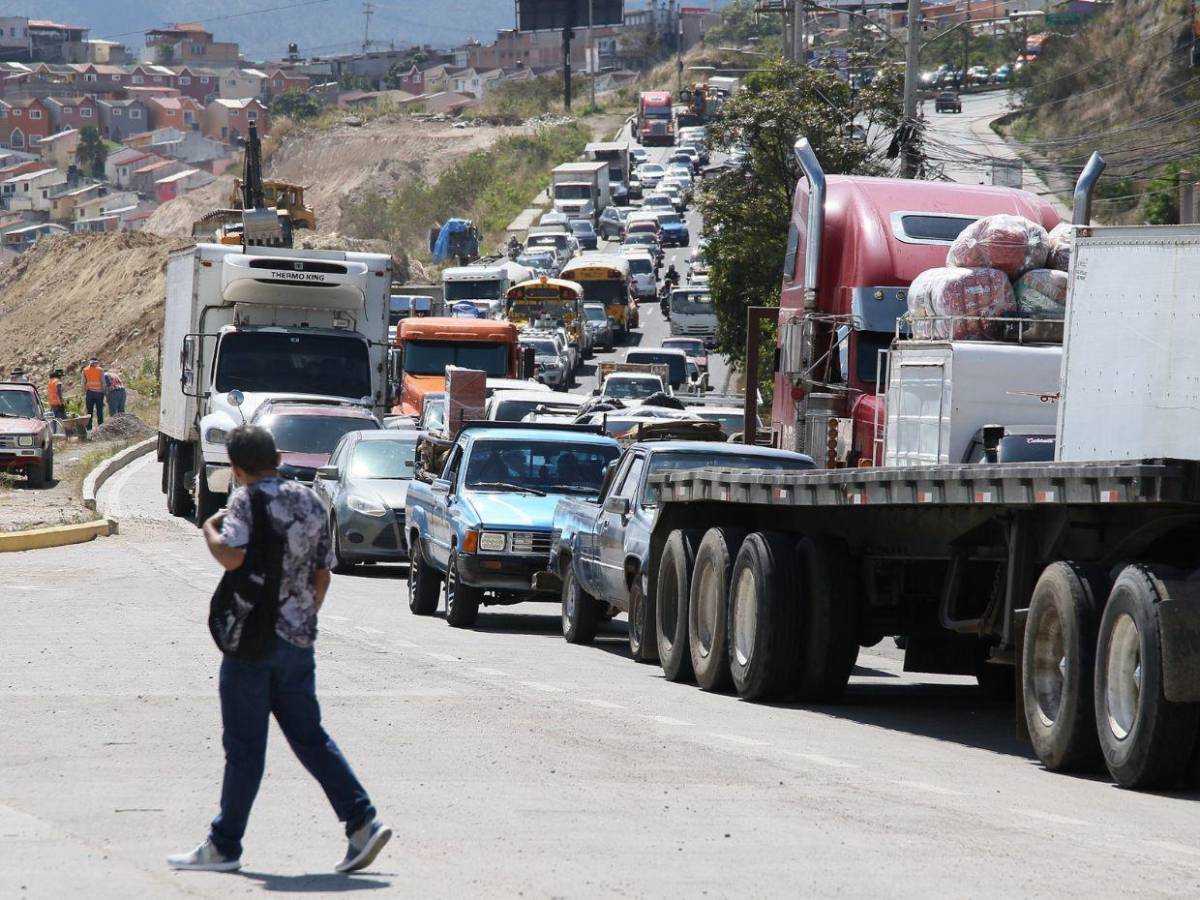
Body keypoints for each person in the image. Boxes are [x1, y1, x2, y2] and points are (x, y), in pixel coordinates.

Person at [169, 425, 392, 875]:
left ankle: (224, 845)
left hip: (253, 642)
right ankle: (362, 821)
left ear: (235, 468)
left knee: (245, 747)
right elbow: (323, 574)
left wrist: (210, 530)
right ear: (276, 457)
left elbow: (232, 555)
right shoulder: (310, 500)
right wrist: (304, 619)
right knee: (310, 738)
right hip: (297, 641)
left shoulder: (246, 500)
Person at [81, 357, 105, 428]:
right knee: (99, 411)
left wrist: (85, 392)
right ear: (96, 362)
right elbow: (103, 382)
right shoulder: (100, 370)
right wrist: (104, 392)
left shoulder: (85, 370)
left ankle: (89, 429)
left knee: (89, 412)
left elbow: (83, 383)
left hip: (90, 393)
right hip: (99, 393)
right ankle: (101, 428)